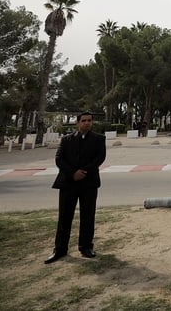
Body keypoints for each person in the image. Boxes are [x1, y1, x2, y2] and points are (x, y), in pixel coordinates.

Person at [45, 111, 106, 264]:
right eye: (84, 120)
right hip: (68, 183)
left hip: (89, 183)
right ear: (77, 123)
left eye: (89, 120)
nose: (87, 123)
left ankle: (85, 247)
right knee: (64, 217)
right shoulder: (66, 140)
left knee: (88, 216)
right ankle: (60, 249)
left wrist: (83, 172)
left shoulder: (99, 139)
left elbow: (100, 158)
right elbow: (59, 159)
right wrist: (73, 173)